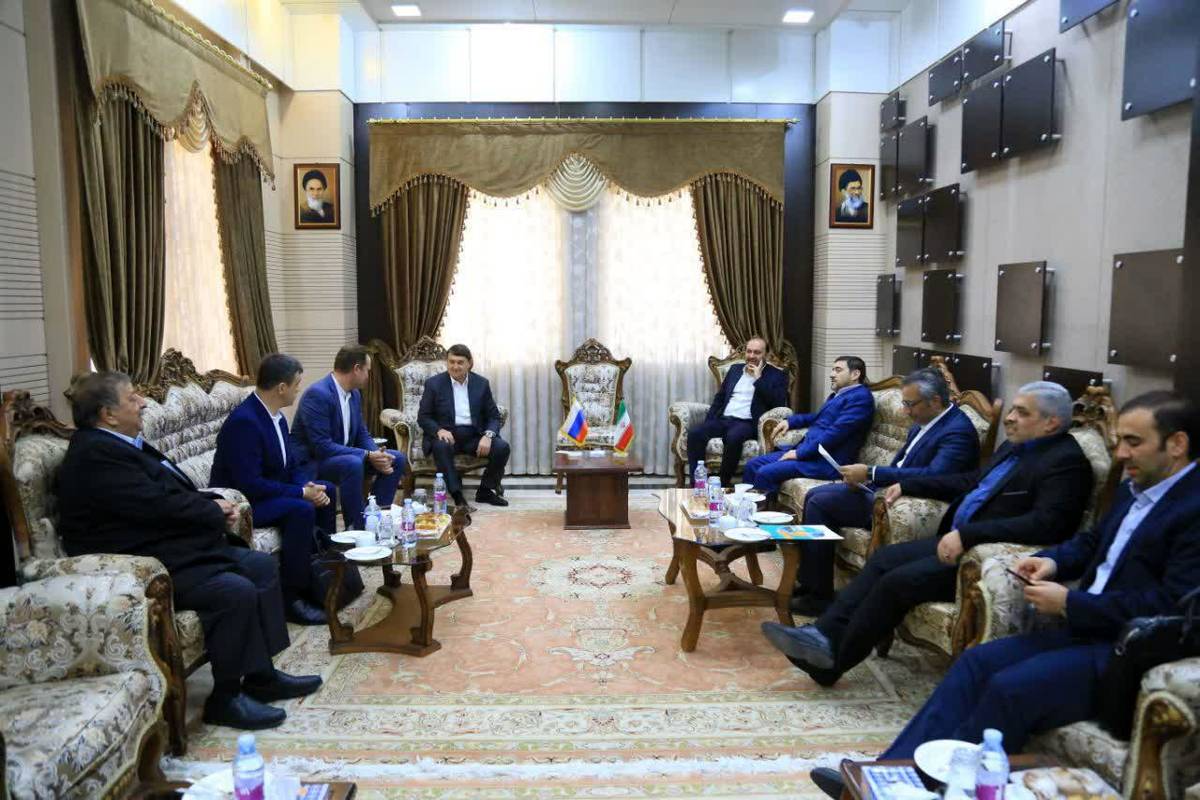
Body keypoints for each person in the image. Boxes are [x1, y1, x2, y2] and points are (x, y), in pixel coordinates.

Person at [806, 390, 1200, 800]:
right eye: (1119, 442)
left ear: (1176, 444)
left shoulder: (1192, 509)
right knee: (976, 662)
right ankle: (888, 778)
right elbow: (1092, 542)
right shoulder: (1138, 488)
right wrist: (1050, 562)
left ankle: (936, 789)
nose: (1120, 454)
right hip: (1084, 630)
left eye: (1133, 442)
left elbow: (1172, 608)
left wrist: (1071, 603)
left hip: (1129, 652)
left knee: (1009, 687)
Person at [762, 381, 1094, 686]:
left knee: (896, 582)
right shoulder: (1014, 447)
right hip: (956, 539)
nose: (1009, 418)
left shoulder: (1065, 462)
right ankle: (822, 634)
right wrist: (907, 485)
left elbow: (1047, 524)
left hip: (983, 556)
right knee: (884, 559)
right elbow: (968, 482)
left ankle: (831, 663)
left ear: (1051, 422)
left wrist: (969, 535)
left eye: (1021, 412)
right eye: (1012, 410)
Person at [56, 371, 322, 730]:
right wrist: (212, 512)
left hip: (170, 546)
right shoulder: (96, 455)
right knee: (234, 590)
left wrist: (210, 501)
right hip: (142, 563)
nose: (143, 403)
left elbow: (165, 494)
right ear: (108, 414)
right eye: (132, 398)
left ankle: (261, 676)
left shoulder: (118, 443)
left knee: (260, 567)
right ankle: (225, 698)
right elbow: (153, 506)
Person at [791, 367, 981, 615]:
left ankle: (818, 597)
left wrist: (871, 473)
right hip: (883, 490)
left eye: (910, 404)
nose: (905, 411)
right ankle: (810, 584)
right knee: (815, 495)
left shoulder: (957, 431)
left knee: (821, 503)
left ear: (935, 401)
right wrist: (867, 482)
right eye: (904, 403)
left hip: (905, 501)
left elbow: (935, 476)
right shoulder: (924, 421)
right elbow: (901, 465)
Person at [211, 354, 335, 625]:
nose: (298, 389)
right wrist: (301, 493)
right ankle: (293, 598)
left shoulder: (276, 416)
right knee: (301, 509)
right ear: (281, 387)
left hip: (270, 492)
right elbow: (250, 484)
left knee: (327, 490)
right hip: (245, 502)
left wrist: (306, 485)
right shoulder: (245, 422)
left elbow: (291, 465)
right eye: (297, 384)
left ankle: (327, 576)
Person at [292, 344, 407, 529]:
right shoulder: (318, 394)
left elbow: (361, 433)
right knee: (352, 463)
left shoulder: (354, 394)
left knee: (396, 458)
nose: (368, 376)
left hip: (343, 456)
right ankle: (356, 528)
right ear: (356, 369)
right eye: (367, 370)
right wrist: (367, 455)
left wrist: (378, 455)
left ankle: (374, 518)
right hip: (315, 462)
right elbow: (322, 447)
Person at [741, 357, 875, 493]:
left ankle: (763, 506)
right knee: (753, 464)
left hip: (827, 462)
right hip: (811, 455)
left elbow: (836, 433)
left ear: (855, 374)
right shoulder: (841, 394)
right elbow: (820, 418)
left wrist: (799, 453)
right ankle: (743, 504)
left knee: (765, 472)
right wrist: (790, 422)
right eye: (832, 370)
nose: (831, 374)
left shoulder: (861, 398)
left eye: (838, 370)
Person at [685, 337, 790, 488]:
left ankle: (722, 483)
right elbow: (720, 398)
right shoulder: (735, 370)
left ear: (765, 354)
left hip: (747, 423)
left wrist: (758, 379)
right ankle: (697, 484)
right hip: (724, 419)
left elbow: (777, 404)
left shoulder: (776, 375)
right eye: (749, 351)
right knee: (695, 433)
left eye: (757, 352)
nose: (752, 356)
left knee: (733, 437)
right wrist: (710, 422)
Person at [417, 343, 510, 508]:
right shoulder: (434, 384)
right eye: (451, 362)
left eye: (460, 362)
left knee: (502, 447)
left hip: (474, 436)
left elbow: (493, 416)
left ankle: (485, 491)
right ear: (447, 362)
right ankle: (458, 496)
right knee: (440, 447)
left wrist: (488, 435)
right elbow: (423, 417)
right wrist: (439, 430)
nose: (455, 366)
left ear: (469, 363)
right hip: (448, 436)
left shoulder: (481, 384)